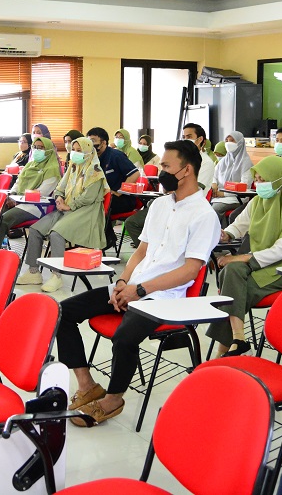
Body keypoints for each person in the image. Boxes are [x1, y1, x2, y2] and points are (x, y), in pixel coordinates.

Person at [56, 140, 220, 425]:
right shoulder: (159, 205)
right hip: (134, 286)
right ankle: (87, 385)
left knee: (124, 336)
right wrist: (123, 281)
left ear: (187, 170)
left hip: (163, 298)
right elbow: (141, 251)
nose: (160, 172)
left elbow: (190, 272)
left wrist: (140, 290)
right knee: (62, 312)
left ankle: (113, 399)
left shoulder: (204, 216)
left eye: (166, 166)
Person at [206, 156, 282, 357]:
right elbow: (240, 224)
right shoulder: (258, 202)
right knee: (232, 274)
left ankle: (223, 353)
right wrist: (227, 234)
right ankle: (237, 340)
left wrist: (241, 258)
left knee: (234, 289)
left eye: (264, 179)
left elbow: (280, 251)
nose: (259, 184)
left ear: (279, 179)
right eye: (257, 179)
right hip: (260, 264)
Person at [20, 136, 108, 292]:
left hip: (86, 212)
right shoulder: (73, 166)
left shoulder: (96, 172)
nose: (75, 153)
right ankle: (33, 272)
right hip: (66, 208)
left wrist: (69, 206)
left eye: (79, 150)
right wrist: (59, 197)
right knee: (35, 230)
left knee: (56, 234)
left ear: (88, 152)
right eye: (73, 150)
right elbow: (60, 187)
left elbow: (88, 198)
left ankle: (57, 276)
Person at [124, 124, 214, 249]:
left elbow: (192, 189)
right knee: (136, 220)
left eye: (189, 137)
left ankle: (157, 251)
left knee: (138, 223)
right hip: (171, 201)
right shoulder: (179, 159)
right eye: (183, 137)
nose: (185, 139)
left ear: (199, 140)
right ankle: (152, 253)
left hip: (187, 207)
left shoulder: (206, 163)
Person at [0, 136, 62, 266]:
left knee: (4, 219)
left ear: (49, 150)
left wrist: (17, 200)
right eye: (35, 147)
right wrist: (11, 195)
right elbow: (18, 182)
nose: (37, 150)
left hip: (36, 207)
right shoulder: (30, 165)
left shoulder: (52, 169)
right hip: (19, 202)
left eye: (41, 148)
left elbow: (42, 192)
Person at [86, 127, 140, 218]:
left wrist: (120, 192)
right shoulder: (93, 158)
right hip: (102, 196)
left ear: (103, 142)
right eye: (89, 142)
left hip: (121, 199)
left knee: (93, 208)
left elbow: (135, 174)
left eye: (93, 141)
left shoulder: (116, 155)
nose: (90, 145)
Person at [210, 130, 254, 224]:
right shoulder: (224, 160)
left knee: (215, 209)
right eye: (227, 140)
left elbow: (244, 186)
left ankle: (217, 232)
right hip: (219, 195)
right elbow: (214, 175)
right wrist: (214, 184)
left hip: (237, 198)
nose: (228, 143)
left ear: (240, 143)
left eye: (232, 140)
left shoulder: (246, 162)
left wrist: (223, 194)